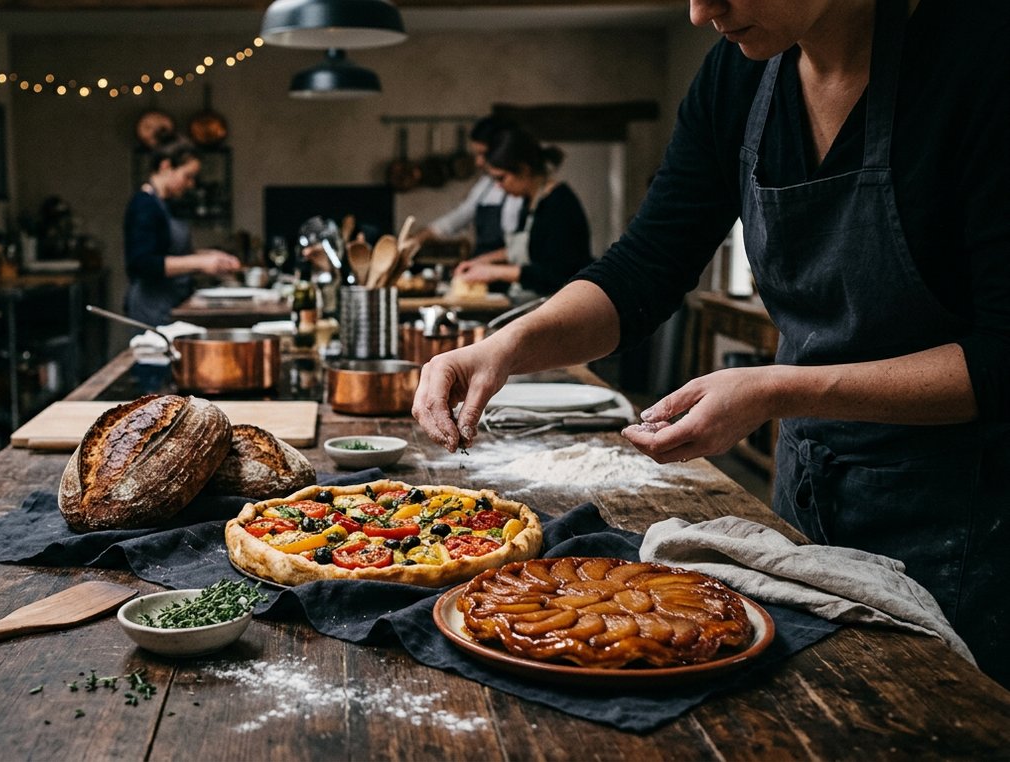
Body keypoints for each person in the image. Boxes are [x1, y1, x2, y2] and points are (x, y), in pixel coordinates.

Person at [412, 0, 1010, 687]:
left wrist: (779, 388)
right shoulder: (739, 76)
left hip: (968, 515)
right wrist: (504, 347)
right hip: (811, 488)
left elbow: (1001, 356)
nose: (700, 12)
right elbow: (645, 268)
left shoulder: (982, 59)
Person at [452, 131, 593, 296]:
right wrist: (482, 261)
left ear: (524, 170)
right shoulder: (530, 201)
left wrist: (494, 272)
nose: (498, 187)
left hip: (559, 302)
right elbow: (530, 248)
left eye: (501, 178)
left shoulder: (559, 204)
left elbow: (557, 274)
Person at [123, 133, 240, 326]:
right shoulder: (144, 205)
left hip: (170, 302)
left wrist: (210, 256)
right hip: (151, 306)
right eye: (188, 176)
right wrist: (199, 262)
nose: (190, 184)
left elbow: (172, 253)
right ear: (166, 166)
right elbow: (142, 263)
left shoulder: (165, 204)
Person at [416, 116, 524, 258]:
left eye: (483, 154)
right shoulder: (486, 184)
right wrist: (420, 237)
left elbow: (523, 249)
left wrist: (486, 262)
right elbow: (461, 215)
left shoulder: (522, 190)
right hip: (482, 270)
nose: (478, 162)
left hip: (508, 271)